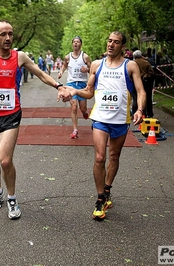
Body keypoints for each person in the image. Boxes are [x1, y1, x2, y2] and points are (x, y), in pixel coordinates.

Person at [0, 20, 66, 220]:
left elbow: (41, 74)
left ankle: (12, 197)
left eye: (10, 34)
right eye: (3, 34)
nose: (8, 38)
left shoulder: (20, 57)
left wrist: (59, 86)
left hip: (11, 114)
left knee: (5, 160)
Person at [59, 31, 145, 220]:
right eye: (109, 41)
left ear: (122, 46)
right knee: (99, 157)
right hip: (100, 118)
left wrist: (139, 110)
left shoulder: (130, 66)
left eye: (116, 42)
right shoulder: (97, 65)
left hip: (121, 120)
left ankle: (107, 191)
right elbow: (89, 92)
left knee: (113, 156)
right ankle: (100, 198)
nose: (111, 45)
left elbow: (140, 90)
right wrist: (73, 91)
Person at [58, 36, 92, 139]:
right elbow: (64, 65)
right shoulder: (67, 57)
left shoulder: (85, 57)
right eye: (74, 42)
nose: (76, 43)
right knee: (73, 106)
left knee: (82, 108)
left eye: (78, 42)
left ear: (81, 44)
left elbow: (92, 69)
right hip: (71, 83)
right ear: (72, 44)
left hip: (82, 84)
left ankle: (85, 112)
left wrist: (86, 69)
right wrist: (61, 72)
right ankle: (75, 130)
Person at [133, 50, 154, 118]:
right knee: (148, 98)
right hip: (146, 82)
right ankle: (149, 113)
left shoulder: (133, 63)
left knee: (136, 98)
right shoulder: (146, 62)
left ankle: (136, 113)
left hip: (136, 83)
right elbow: (151, 72)